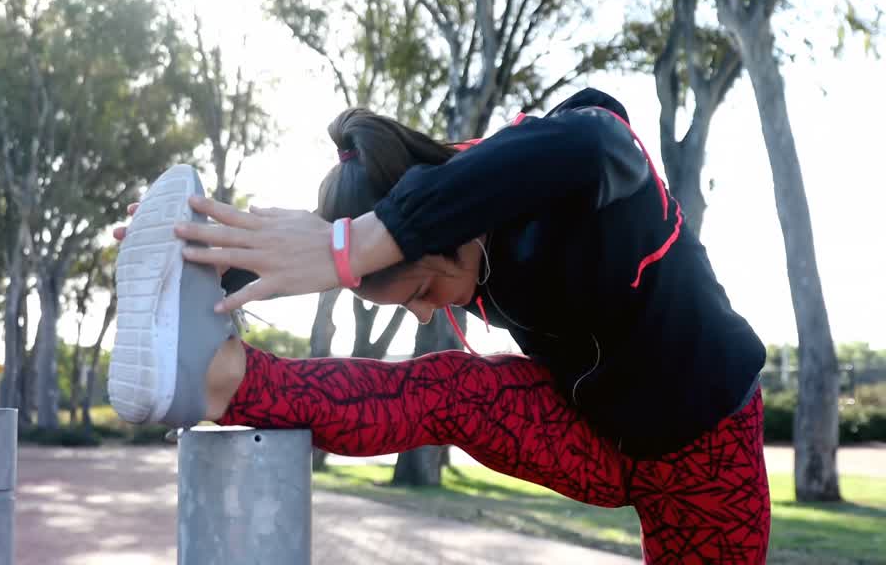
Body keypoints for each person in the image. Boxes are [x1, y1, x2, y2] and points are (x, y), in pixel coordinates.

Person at [107, 88, 769, 564]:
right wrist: (193, 252)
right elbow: (325, 239)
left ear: (444, 230)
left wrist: (364, 242)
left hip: (703, 452)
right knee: (448, 389)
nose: (427, 310)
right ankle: (216, 378)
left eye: (423, 288)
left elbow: (600, 133)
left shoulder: (570, 186)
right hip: (594, 437)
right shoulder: (405, 213)